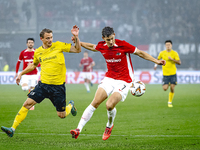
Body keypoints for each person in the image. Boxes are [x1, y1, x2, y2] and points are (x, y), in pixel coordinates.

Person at [70, 26, 166, 140]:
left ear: (114, 35)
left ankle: (109, 125)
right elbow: (91, 46)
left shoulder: (123, 45)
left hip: (124, 81)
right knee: (95, 102)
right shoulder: (102, 46)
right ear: (103, 38)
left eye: (111, 38)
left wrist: (156, 61)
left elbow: (140, 53)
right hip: (109, 78)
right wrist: (77, 38)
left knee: (109, 105)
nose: (110, 42)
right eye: (107, 40)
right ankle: (78, 129)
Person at [1, 25, 81, 137]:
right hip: (43, 85)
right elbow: (33, 65)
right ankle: (12, 129)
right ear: (41, 39)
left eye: (51, 37)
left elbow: (78, 49)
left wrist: (76, 37)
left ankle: (70, 106)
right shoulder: (38, 52)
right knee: (27, 104)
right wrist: (21, 73)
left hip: (58, 87)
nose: (50, 40)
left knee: (62, 115)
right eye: (47, 38)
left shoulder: (58, 45)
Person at [154, 40, 181, 107]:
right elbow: (157, 59)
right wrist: (155, 66)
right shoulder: (162, 53)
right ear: (165, 46)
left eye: (169, 45)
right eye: (166, 45)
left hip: (173, 73)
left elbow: (179, 62)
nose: (168, 46)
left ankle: (169, 102)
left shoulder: (174, 53)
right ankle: (168, 83)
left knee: (172, 87)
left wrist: (172, 59)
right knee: (165, 88)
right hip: (165, 74)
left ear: (171, 45)